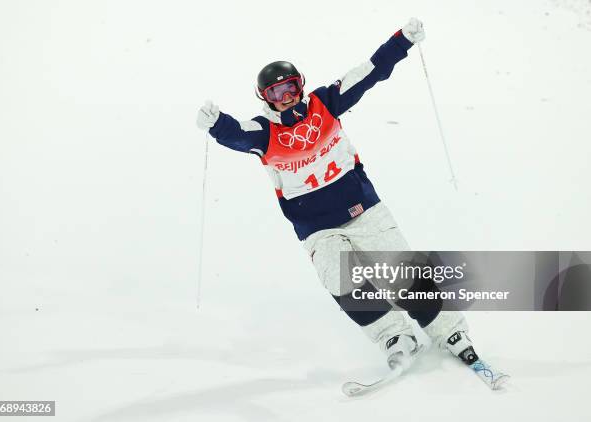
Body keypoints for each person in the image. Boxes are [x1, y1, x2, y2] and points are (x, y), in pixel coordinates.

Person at [196, 18, 478, 371]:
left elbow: (370, 72)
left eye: (290, 89)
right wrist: (216, 124)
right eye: (275, 94)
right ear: (264, 98)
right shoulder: (265, 133)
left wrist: (401, 41)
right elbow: (237, 133)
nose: (285, 99)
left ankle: (449, 331)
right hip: (316, 226)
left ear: (301, 86)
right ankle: (394, 334)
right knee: (338, 278)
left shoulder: (324, 104)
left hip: (363, 208)